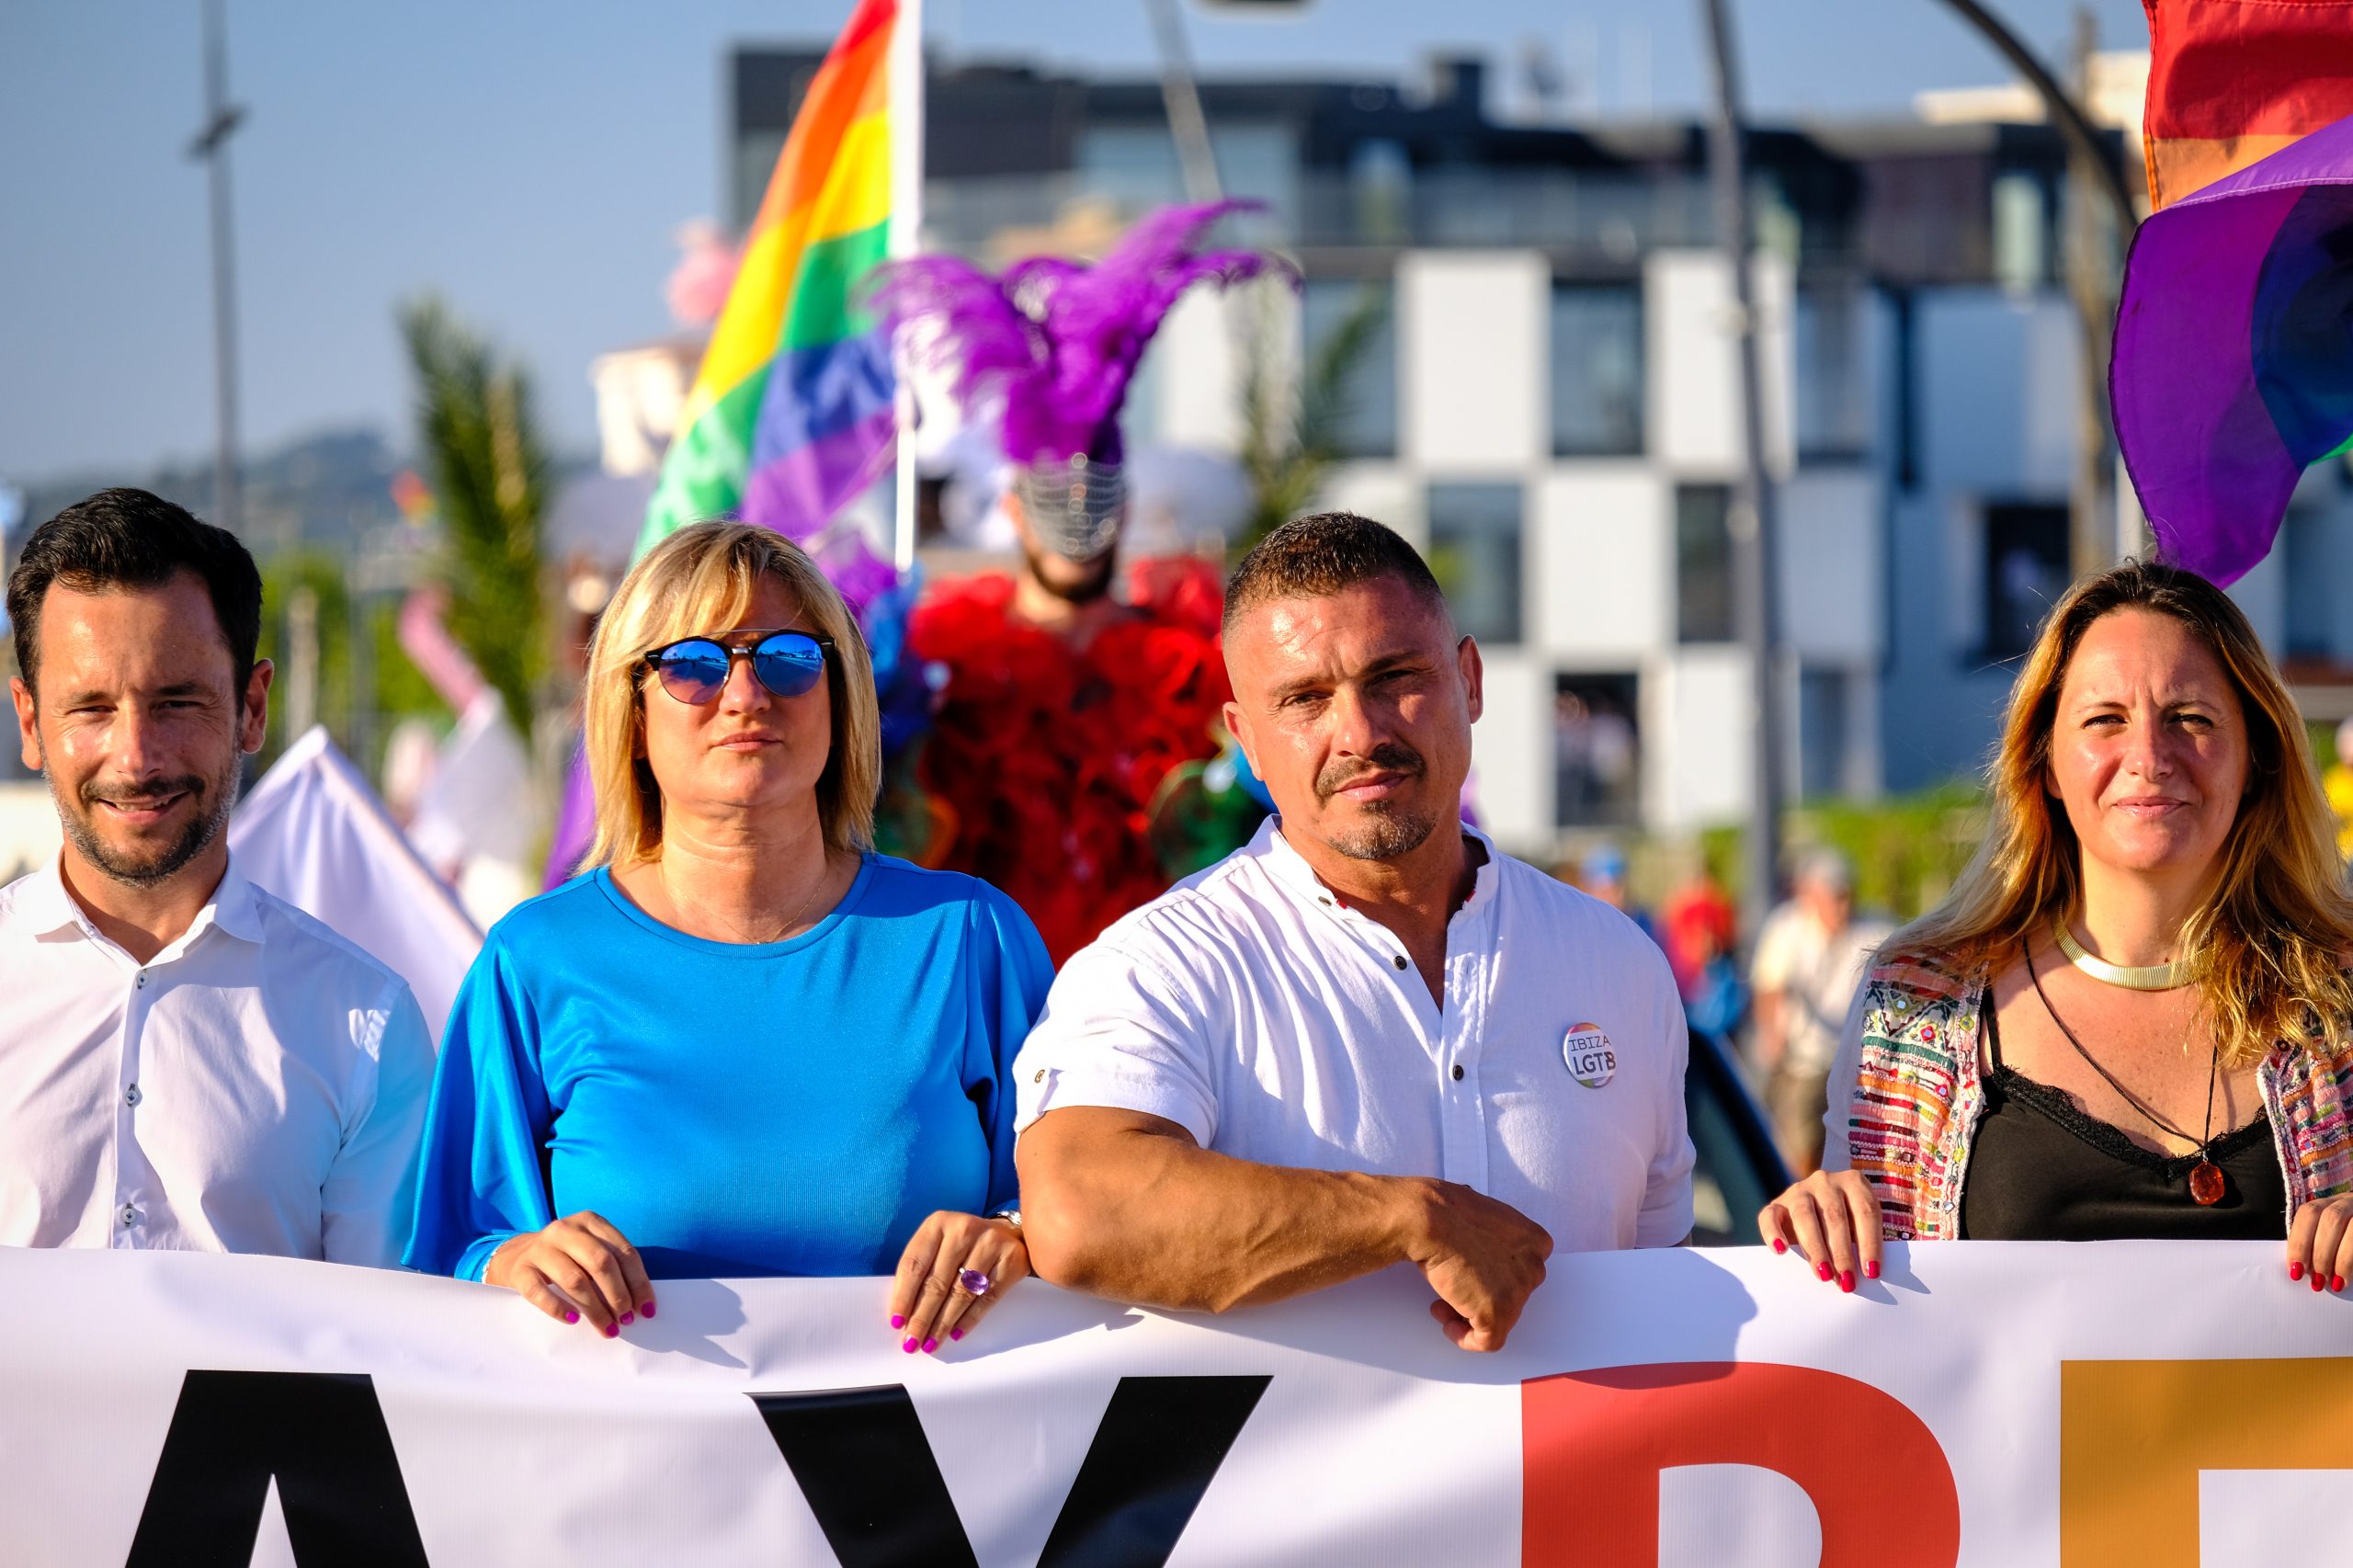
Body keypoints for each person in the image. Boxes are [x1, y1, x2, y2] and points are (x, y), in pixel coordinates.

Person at [1013, 512, 1695, 1352]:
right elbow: (1080, 1208)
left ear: (1470, 681)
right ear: (1246, 742)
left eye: (1395, 676)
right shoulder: (1160, 966)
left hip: (1584, 1485)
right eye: (1304, 699)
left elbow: (1669, 1284)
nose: (1361, 734)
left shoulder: (1618, 963)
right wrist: (1405, 1216)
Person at [405, 522, 1052, 1354]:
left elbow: (1073, 1213)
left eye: (787, 658)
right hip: (634, 1472)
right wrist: (514, 1265)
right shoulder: (532, 964)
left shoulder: (972, 939)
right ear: (631, 712)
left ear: (840, 695)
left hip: (936, 1471)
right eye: (692, 665)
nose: (746, 696)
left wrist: (1016, 1238)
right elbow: (449, 1258)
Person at [1762, 561, 2353, 1291]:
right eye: (2106, 720)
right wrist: (1818, 1217)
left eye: (2191, 718)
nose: (2148, 758)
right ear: (2042, 760)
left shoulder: (2341, 998)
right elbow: (1861, 1324)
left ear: (2257, 754)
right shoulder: (1915, 1004)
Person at [0, 488, 433, 1263]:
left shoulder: (363, 1025)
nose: (136, 757)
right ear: (31, 723)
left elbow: (388, 1344)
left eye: (176, 702)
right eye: (91, 708)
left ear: (252, 708)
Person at [876, 201, 1279, 962]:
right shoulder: (941, 665)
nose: (1075, 520)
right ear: (1011, 510)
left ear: (1125, 508)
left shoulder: (1201, 662)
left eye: (1095, 497)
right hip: (992, 1003)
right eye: (1051, 499)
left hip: (1167, 999)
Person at [1748, 849, 1893, 1175]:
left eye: (1845, 896)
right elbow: (1769, 986)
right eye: (1833, 896)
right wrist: (1772, 1035)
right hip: (1802, 1060)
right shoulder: (1788, 928)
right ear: (1812, 895)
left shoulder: (1873, 929)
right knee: (1796, 1147)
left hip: (1855, 1064)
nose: (1841, 906)